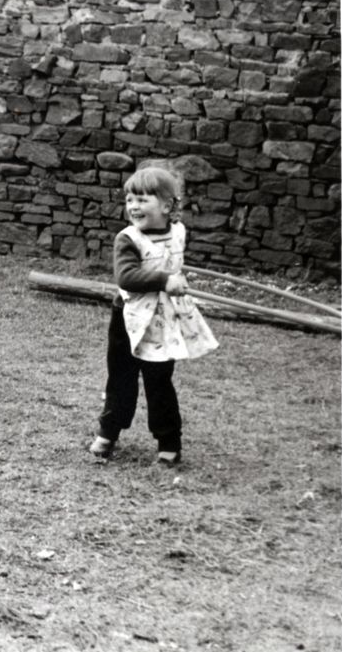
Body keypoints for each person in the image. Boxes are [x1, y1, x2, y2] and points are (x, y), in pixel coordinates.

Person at [89, 166, 218, 466]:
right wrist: (164, 280)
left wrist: (177, 278)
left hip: (164, 322)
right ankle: (108, 432)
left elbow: (175, 262)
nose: (133, 206)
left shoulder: (178, 232)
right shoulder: (128, 239)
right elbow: (127, 276)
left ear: (166, 205)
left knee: (160, 382)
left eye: (142, 200)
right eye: (130, 200)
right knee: (121, 379)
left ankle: (169, 441)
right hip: (129, 320)